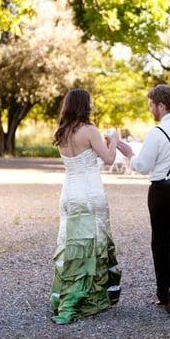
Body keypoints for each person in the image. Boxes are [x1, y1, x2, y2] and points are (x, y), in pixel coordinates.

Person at [117, 84, 170, 316]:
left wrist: (129, 155)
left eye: (151, 105)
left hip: (161, 191)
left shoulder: (156, 133)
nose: (150, 110)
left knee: (161, 243)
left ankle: (164, 294)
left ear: (161, 106)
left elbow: (143, 166)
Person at [50, 89, 121, 325]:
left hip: (69, 193)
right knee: (94, 242)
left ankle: (67, 293)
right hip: (90, 193)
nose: (92, 105)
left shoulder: (61, 132)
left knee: (72, 244)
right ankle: (87, 297)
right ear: (83, 105)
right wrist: (115, 142)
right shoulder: (89, 131)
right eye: (90, 102)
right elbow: (109, 159)